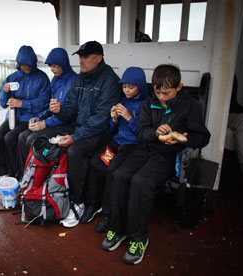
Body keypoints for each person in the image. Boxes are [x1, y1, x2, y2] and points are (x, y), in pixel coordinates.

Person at [101, 64, 210, 265]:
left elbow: (202, 137)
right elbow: (142, 132)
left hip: (168, 155)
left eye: (167, 93)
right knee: (120, 174)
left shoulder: (190, 106)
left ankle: (138, 238)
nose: (161, 97)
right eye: (158, 92)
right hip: (145, 148)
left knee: (141, 182)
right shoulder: (151, 101)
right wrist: (156, 132)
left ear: (179, 87)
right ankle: (117, 229)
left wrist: (183, 139)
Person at [50, 41, 122, 227]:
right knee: (45, 138)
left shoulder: (110, 80)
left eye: (86, 56)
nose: (81, 60)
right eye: (80, 56)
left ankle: (77, 202)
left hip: (101, 131)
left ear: (99, 58)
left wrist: (75, 136)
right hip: (81, 127)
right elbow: (71, 110)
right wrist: (59, 110)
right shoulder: (80, 78)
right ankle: (52, 192)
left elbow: (101, 119)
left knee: (75, 151)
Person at [79, 67, 148, 230]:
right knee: (96, 163)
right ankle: (93, 204)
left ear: (140, 87)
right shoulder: (123, 101)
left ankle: (108, 213)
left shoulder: (145, 105)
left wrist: (129, 117)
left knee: (112, 171)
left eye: (131, 87)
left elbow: (143, 133)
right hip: (117, 142)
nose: (127, 90)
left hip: (132, 146)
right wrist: (114, 119)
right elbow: (114, 129)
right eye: (124, 87)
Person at [16, 47, 77, 180]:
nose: (53, 69)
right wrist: (39, 117)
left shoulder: (74, 81)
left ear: (64, 64)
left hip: (67, 124)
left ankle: (36, 177)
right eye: (51, 66)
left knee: (32, 139)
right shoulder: (55, 79)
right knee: (22, 136)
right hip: (54, 121)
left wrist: (45, 124)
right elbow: (51, 107)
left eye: (56, 66)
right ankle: (23, 176)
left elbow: (70, 113)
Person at [0, 45, 50, 178]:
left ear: (34, 63)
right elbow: (2, 103)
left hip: (29, 118)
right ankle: (3, 173)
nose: (27, 67)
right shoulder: (12, 78)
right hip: (13, 117)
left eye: (29, 65)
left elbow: (44, 102)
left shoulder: (42, 78)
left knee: (10, 138)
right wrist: (5, 93)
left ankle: (15, 174)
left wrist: (22, 103)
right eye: (24, 65)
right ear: (19, 63)